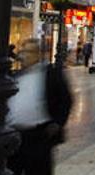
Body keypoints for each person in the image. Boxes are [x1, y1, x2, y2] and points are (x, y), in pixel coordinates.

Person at [6, 39, 73, 175]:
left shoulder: (51, 74)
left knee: (38, 170)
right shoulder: (16, 76)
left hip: (39, 136)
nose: (25, 55)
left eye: (29, 52)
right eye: (23, 51)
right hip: (14, 135)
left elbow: (66, 99)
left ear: (38, 54)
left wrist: (58, 123)